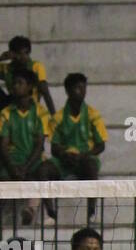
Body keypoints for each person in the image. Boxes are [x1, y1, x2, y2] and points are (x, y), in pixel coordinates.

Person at [0, 67, 61, 224]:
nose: (15, 86)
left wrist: (25, 168)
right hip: (12, 161)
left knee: (40, 173)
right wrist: (13, 168)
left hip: (32, 160)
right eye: (14, 84)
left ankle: (31, 210)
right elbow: (3, 145)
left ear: (30, 87)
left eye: (20, 83)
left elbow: (39, 145)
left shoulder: (40, 113)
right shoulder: (5, 113)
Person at [49, 73, 107, 219]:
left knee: (91, 167)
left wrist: (84, 155)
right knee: (44, 169)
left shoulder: (93, 114)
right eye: (77, 88)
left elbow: (100, 145)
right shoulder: (58, 117)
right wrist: (63, 154)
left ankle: (91, 212)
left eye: (84, 87)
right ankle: (50, 211)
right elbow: (54, 147)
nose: (82, 91)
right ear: (68, 90)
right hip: (64, 160)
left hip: (84, 158)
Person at [0, 35, 55, 114]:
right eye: (17, 54)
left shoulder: (36, 66)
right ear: (11, 54)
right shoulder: (6, 68)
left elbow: (46, 93)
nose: (20, 57)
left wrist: (54, 117)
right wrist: (1, 58)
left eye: (24, 53)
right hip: (12, 107)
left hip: (30, 107)